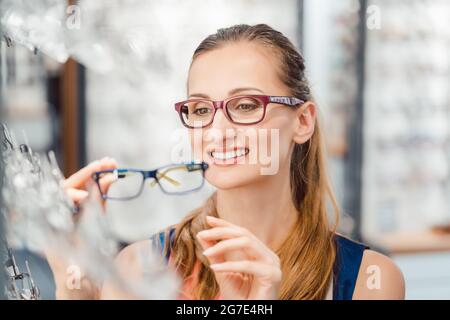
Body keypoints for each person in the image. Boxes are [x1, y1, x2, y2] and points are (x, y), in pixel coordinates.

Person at [51, 24, 405, 300]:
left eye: (246, 105)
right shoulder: (139, 268)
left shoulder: (368, 281)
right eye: (201, 109)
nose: (217, 131)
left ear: (303, 122)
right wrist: (73, 278)